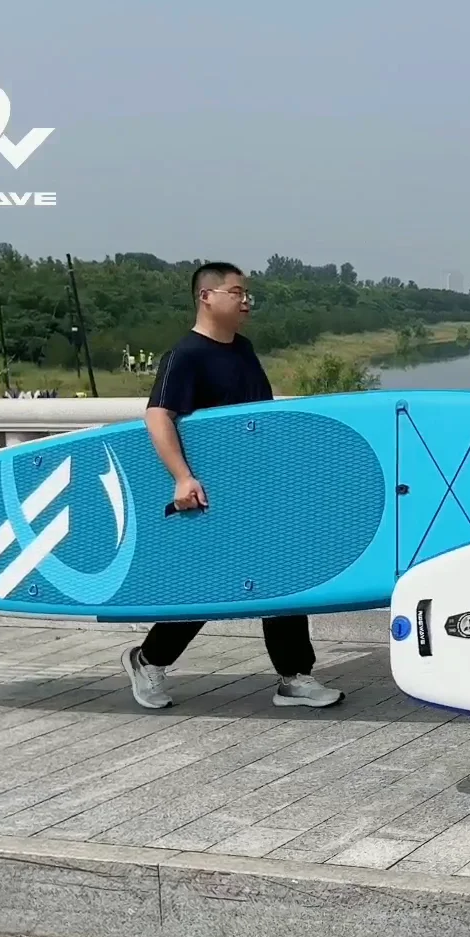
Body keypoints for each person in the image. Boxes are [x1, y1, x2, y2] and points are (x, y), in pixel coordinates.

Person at [119, 261, 345, 711]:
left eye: (246, 295)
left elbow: (257, 420)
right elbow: (158, 415)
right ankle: (147, 659)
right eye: (237, 293)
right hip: (214, 494)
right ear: (206, 297)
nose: (246, 302)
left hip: (259, 490)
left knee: (283, 576)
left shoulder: (243, 349)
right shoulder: (185, 355)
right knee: (210, 584)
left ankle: (293, 677)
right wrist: (182, 477)